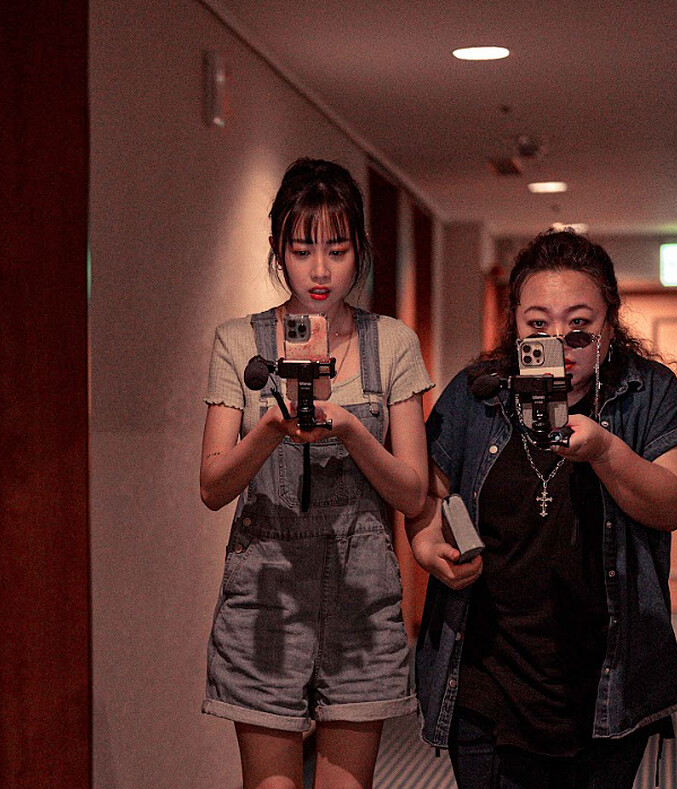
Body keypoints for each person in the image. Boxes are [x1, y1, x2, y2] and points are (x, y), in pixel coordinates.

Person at [406, 229, 677, 789]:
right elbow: (425, 491)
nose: (559, 343)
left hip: (607, 680)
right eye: (538, 325)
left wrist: (607, 451)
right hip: (487, 674)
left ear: (609, 327)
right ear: (514, 324)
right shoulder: (476, 395)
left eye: (579, 327)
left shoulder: (648, 392)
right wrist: (426, 544)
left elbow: (672, 502)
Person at [200, 157, 434, 789]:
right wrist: (271, 429)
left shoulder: (393, 342)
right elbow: (213, 486)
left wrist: (352, 429)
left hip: (362, 592)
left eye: (337, 249)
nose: (321, 270)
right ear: (278, 249)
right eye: (302, 251)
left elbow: (413, 491)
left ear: (361, 247)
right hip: (265, 597)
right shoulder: (238, 341)